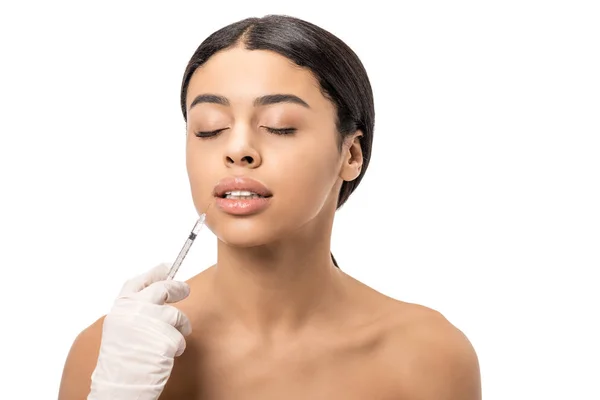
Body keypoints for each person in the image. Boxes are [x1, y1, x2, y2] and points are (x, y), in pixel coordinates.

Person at [58, 14, 481, 400]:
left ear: (351, 154)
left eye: (279, 126)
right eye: (210, 129)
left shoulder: (429, 357)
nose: (238, 149)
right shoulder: (113, 359)